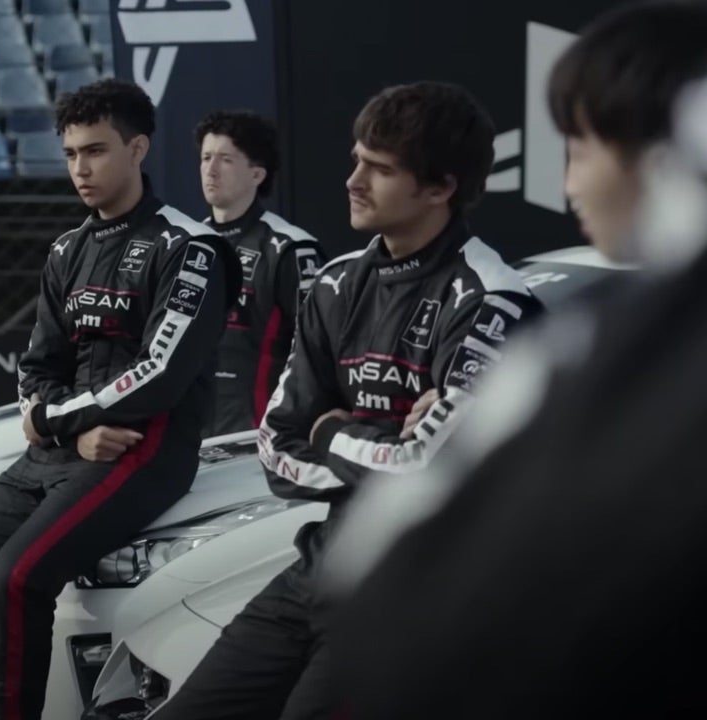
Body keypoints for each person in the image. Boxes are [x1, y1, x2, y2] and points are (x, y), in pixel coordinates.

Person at [324, 4, 707, 718]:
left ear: (661, 152)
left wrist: (329, 436)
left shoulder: (602, 342)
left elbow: (399, 590)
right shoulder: (340, 281)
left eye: (579, 148)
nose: (569, 186)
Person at [148, 81, 542, 720]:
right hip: (324, 562)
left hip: (418, 590)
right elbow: (276, 444)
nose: (354, 180)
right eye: (357, 158)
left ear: (440, 188)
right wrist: (379, 442)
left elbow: (432, 472)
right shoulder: (335, 284)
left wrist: (331, 431)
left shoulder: (492, 301)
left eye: (380, 169)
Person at [0, 78, 241, 720]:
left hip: (141, 453)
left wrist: (50, 421)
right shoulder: (67, 250)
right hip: (66, 452)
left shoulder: (193, 249)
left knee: (16, 580)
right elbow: (37, 367)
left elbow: (158, 376)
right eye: (71, 154)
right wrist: (65, 430)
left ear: (138, 148)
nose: (80, 168)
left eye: (95, 151)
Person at [197, 110, 326, 437]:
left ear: (257, 174)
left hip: (259, 438)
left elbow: (321, 353)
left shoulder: (292, 249)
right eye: (205, 157)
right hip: (188, 438)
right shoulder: (183, 244)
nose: (210, 170)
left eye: (224, 159)